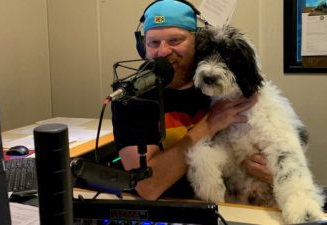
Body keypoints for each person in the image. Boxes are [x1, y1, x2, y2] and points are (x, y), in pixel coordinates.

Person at [111, 0, 272, 201]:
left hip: (235, 203)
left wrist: (272, 175)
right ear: (141, 46)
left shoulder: (224, 83)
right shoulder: (131, 97)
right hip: (173, 207)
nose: (163, 52)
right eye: (153, 43)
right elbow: (148, 187)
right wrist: (209, 125)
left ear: (197, 41)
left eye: (175, 40)